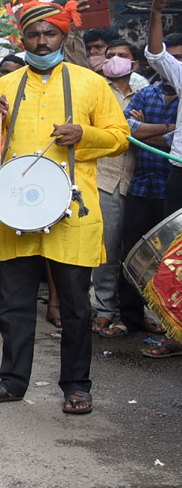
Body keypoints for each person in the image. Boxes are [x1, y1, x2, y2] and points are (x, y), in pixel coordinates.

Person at [0, 1, 130, 413]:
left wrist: (84, 134)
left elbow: (120, 137)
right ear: (22, 39)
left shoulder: (91, 84)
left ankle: (76, 386)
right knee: (15, 304)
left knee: (76, 306)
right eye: (34, 34)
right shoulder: (4, 86)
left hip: (72, 213)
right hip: (17, 211)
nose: (42, 41)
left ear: (64, 37)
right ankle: (11, 382)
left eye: (50, 34)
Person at [130, 0, 182, 356]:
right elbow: (155, 53)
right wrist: (157, 12)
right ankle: (174, 331)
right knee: (176, 257)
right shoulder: (180, 74)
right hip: (179, 173)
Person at [90, 42, 140, 336]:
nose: (115, 61)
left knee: (133, 250)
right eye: (110, 56)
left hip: (139, 179)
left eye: (123, 56)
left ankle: (135, 310)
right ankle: (106, 308)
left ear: (135, 63)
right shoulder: (97, 89)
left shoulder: (145, 89)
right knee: (106, 248)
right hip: (105, 177)